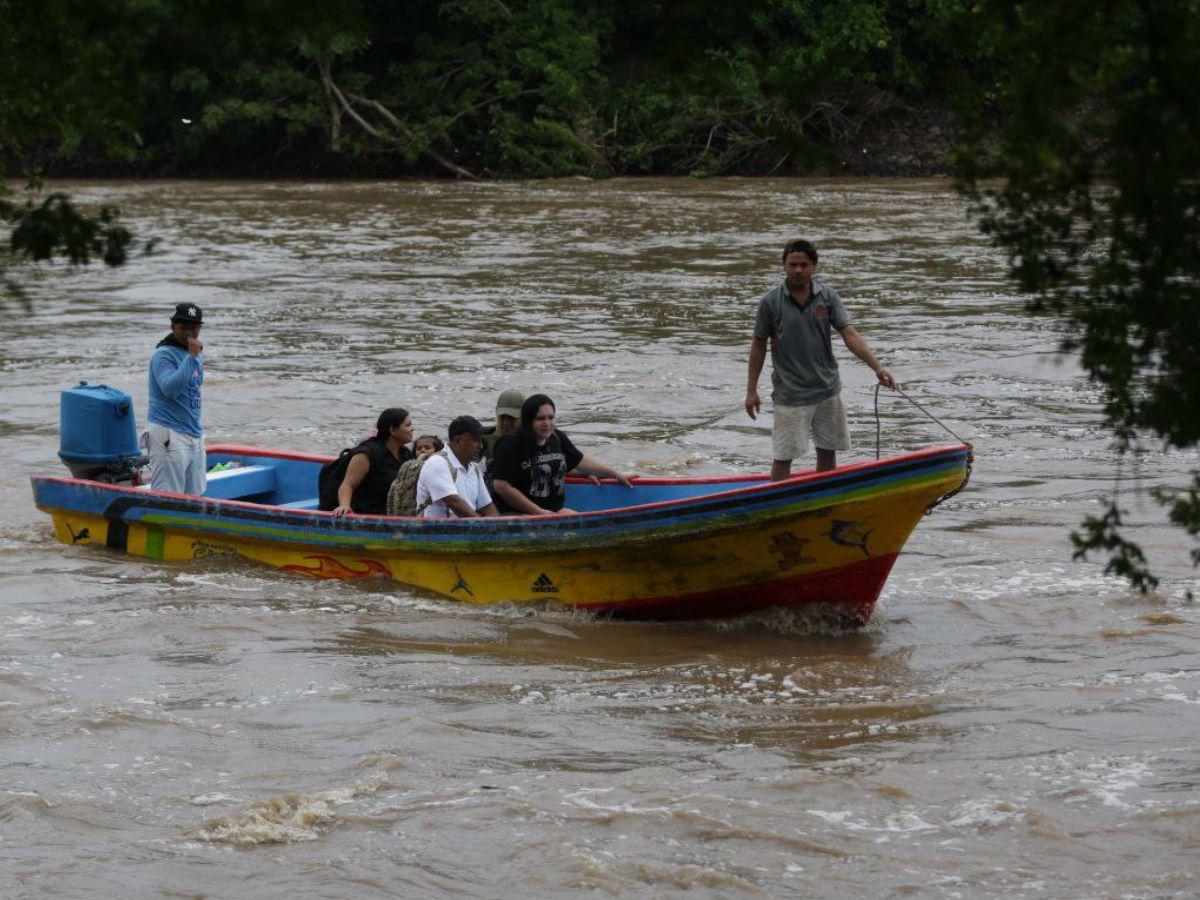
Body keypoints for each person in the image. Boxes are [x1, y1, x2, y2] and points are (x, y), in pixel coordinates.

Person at [745, 239, 896, 479]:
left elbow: (849, 333)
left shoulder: (827, 297)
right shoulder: (770, 303)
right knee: (784, 455)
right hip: (791, 394)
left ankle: (824, 502)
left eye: (804, 265)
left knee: (828, 451)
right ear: (783, 266)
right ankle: (780, 506)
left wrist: (877, 367)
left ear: (814, 266)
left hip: (827, 389)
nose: (798, 270)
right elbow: (758, 345)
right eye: (793, 264)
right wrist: (751, 391)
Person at [491, 394, 633, 516]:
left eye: (551, 417)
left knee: (575, 518)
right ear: (528, 421)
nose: (547, 423)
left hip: (553, 512)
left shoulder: (557, 437)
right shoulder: (510, 444)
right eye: (540, 418)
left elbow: (580, 460)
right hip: (516, 514)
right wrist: (539, 512)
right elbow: (501, 486)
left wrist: (615, 474)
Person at [147, 302, 207, 494]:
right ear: (173, 327)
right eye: (184, 327)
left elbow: (194, 391)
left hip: (194, 434)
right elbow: (170, 389)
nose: (189, 332)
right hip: (169, 434)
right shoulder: (163, 355)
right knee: (168, 498)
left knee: (196, 499)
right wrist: (191, 358)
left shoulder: (195, 353)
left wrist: (193, 357)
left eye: (194, 327)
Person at [332, 408, 415, 517]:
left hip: (392, 514)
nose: (412, 429)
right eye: (408, 425)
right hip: (365, 515)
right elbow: (347, 485)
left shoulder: (406, 454)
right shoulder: (367, 454)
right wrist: (344, 505)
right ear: (393, 430)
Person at [415, 416, 499, 518]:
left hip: (466, 528)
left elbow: (487, 506)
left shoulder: (474, 468)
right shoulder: (437, 463)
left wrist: (496, 528)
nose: (481, 446)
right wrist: (482, 527)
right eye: (476, 440)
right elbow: (454, 503)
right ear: (458, 441)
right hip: (436, 532)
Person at [482, 388, 524, 462]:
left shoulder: (535, 439)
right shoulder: (484, 440)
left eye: (512, 418)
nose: (506, 423)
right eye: (502, 417)